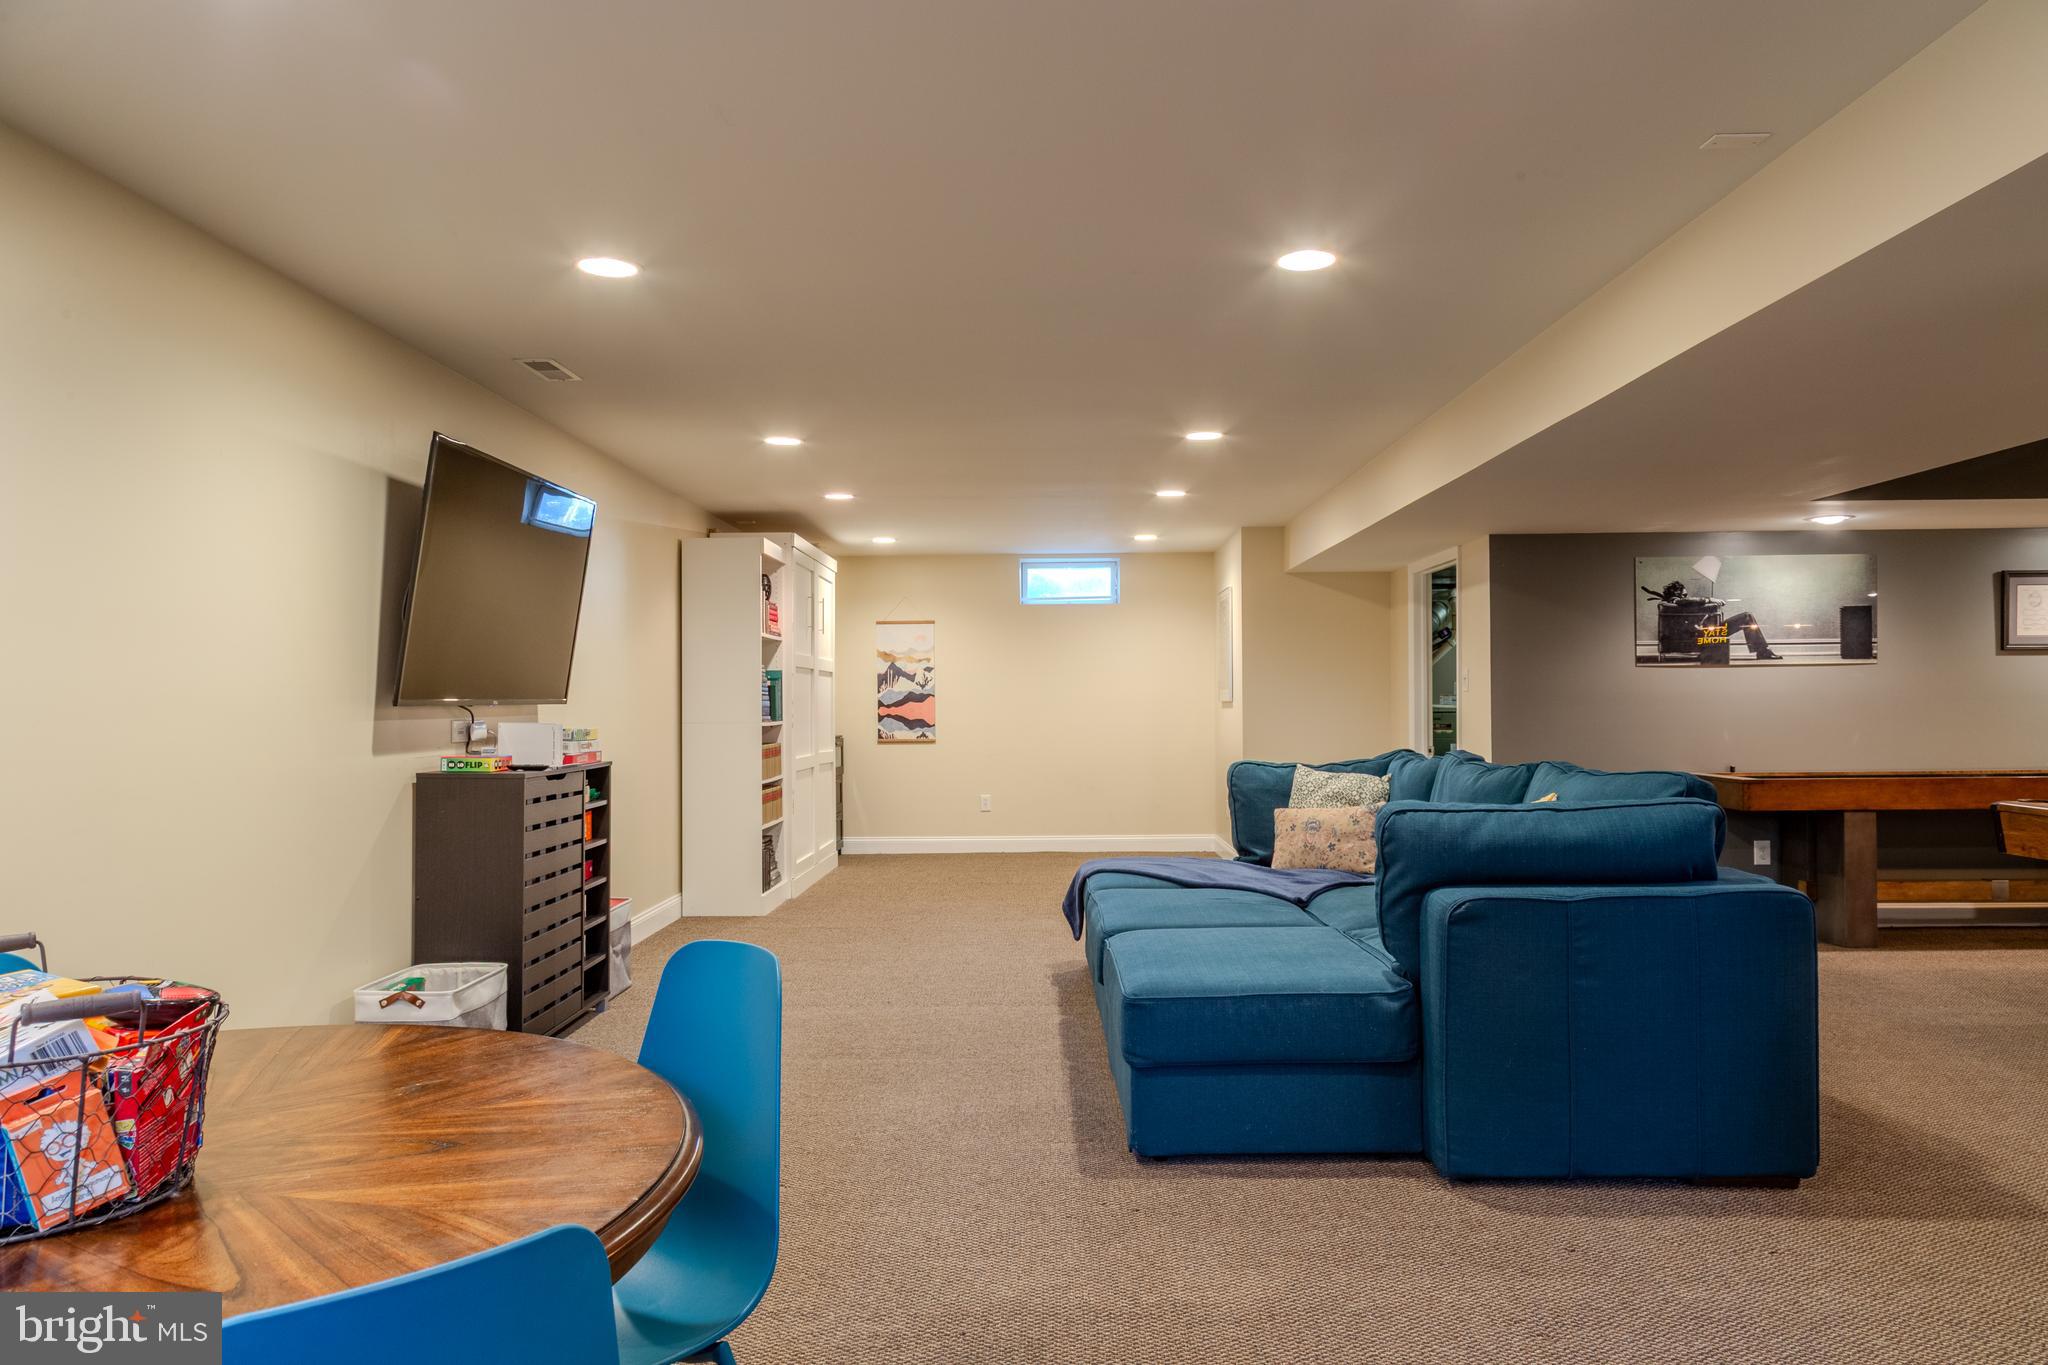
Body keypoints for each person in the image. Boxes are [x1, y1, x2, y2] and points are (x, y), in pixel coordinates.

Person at [1644, 579, 1783, 660]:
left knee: (1746, 616)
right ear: (1678, 593)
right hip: (1705, 636)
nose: (1687, 595)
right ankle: (1762, 651)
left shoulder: (1670, 605)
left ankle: (1762, 650)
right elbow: (1684, 601)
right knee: (1746, 616)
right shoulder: (1675, 602)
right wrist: (1711, 600)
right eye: (1685, 593)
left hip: (1702, 634)